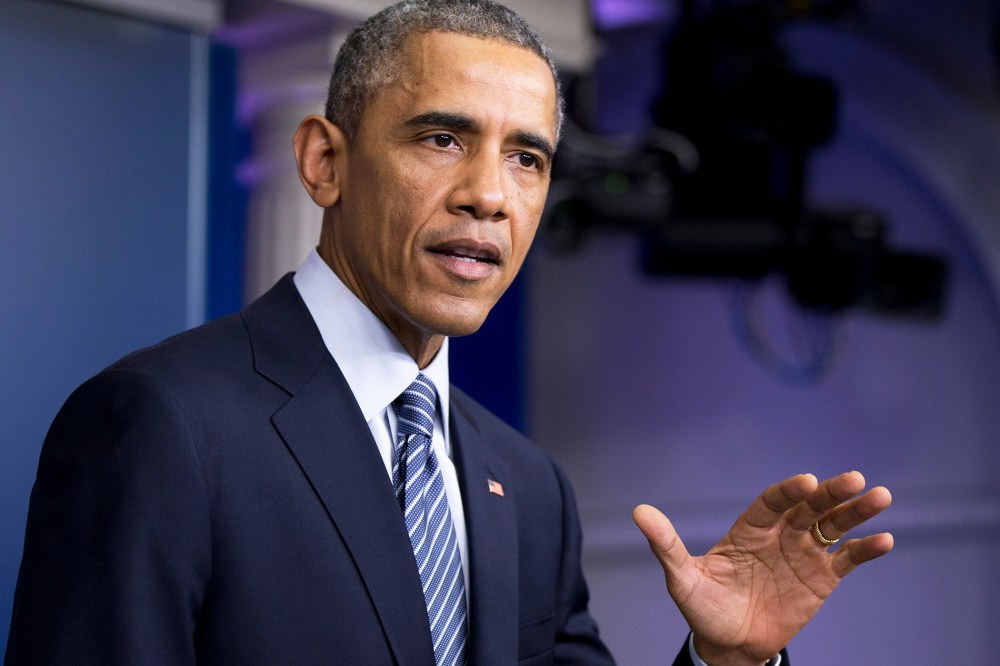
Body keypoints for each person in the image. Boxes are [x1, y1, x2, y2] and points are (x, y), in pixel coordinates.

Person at [5, 1, 894, 664]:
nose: (490, 195)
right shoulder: (161, 423)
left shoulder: (528, 483)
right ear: (325, 161)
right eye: (441, 138)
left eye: (527, 158)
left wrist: (722, 660)